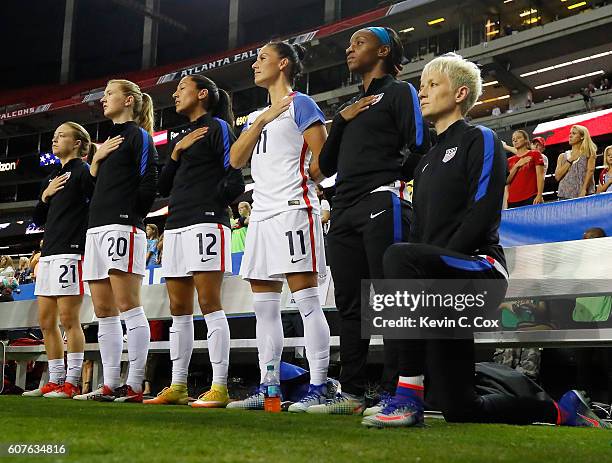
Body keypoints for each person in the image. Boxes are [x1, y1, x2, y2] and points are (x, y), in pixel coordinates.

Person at [362, 52, 608, 430]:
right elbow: (420, 236)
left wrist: (428, 273)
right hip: (439, 285)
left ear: (460, 93)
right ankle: (561, 411)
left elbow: (483, 214)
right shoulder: (426, 162)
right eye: (421, 85)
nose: (422, 92)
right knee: (459, 407)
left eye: (432, 85)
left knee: (397, 255)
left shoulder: (482, 138)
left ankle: (406, 396)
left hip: (479, 269)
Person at [310, 26, 430, 415]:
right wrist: (341, 122)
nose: (349, 48)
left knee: (391, 296)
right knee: (350, 303)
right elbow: (324, 166)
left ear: (382, 50)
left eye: (358, 42)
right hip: (342, 208)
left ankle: (400, 392)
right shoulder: (349, 106)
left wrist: (393, 179)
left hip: (382, 200)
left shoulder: (399, 92)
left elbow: (420, 144)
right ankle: (354, 391)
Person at [229, 40, 332, 412]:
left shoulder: (301, 104)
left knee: (306, 302)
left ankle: (320, 385)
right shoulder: (260, 114)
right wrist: (259, 120)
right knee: (264, 309)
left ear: (283, 63)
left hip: (293, 210)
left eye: (262, 58)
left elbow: (323, 160)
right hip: (261, 216)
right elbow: (235, 158)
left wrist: (310, 187)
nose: (255, 65)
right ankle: (269, 385)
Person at [144, 74, 244, 407]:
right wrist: (176, 153)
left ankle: (219, 386)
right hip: (175, 227)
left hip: (206, 222)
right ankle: (178, 385)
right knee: (179, 310)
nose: (175, 94)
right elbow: (163, 187)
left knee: (210, 304)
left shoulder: (218, 127)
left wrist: (212, 202)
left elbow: (234, 177)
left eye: (181, 89)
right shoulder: (184, 136)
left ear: (202, 94)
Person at [74, 79, 158, 402]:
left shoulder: (139, 137)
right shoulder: (105, 143)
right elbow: (91, 193)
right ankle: (109, 384)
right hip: (95, 230)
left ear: (129, 101)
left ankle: (135, 384)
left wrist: (129, 216)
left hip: (122, 227)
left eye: (109, 94)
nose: (103, 99)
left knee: (128, 306)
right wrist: (94, 163)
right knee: (103, 310)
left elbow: (148, 183)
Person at [22, 122, 93, 399]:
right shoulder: (52, 177)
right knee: (46, 321)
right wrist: (45, 195)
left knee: (69, 319)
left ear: (77, 143)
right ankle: (55, 379)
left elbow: (92, 207)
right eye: (54, 136)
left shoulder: (84, 172)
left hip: (70, 251)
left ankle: (72, 382)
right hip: (49, 253)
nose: (55, 140)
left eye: (61, 136)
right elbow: (38, 219)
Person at [555, 125, 596, 199]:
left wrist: (584, 189)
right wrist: (570, 160)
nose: (570, 136)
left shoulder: (589, 153)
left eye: (574, 133)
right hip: (564, 196)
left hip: (584, 194)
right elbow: (557, 177)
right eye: (570, 133)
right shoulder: (562, 156)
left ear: (582, 137)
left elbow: (590, 171)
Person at [506, 130, 545, 207]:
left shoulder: (535, 154)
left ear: (526, 140)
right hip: (512, 200)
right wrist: (517, 165)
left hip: (531, 197)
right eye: (513, 139)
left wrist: (539, 195)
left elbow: (540, 176)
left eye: (518, 138)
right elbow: (507, 181)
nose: (515, 140)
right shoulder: (509, 161)